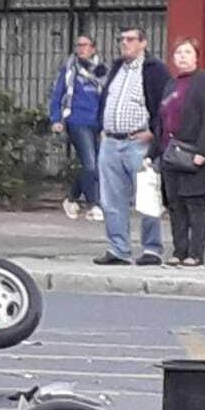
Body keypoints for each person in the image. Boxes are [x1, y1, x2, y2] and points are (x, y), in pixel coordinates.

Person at [93, 27, 170, 267]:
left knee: (147, 197)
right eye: (121, 39)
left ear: (143, 43)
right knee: (112, 199)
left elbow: (164, 105)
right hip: (111, 142)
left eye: (130, 39)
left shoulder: (154, 70)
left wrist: (154, 134)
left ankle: (151, 248)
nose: (124, 43)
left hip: (138, 142)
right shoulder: (117, 68)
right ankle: (118, 248)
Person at [155, 38, 205, 267]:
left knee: (194, 203)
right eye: (178, 53)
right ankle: (179, 250)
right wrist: (154, 150)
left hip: (194, 152)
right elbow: (161, 118)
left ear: (196, 56)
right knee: (175, 204)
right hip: (171, 153)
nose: (182, 57)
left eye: (187, 52)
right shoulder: (171, 84)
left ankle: (196, 253)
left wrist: (203, 150)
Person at [48, 35, 106, 222]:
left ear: (93, 49)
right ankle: (94, 204)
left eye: (85, 45)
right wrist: (56, 118)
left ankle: (71, 198)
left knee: (95, 164)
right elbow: (58, 95)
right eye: (78, 45)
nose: (81, 49)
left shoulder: (101, 71)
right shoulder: (69, 70)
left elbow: (106, 97)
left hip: (97, 123)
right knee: (90, 163)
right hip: (76, 121)